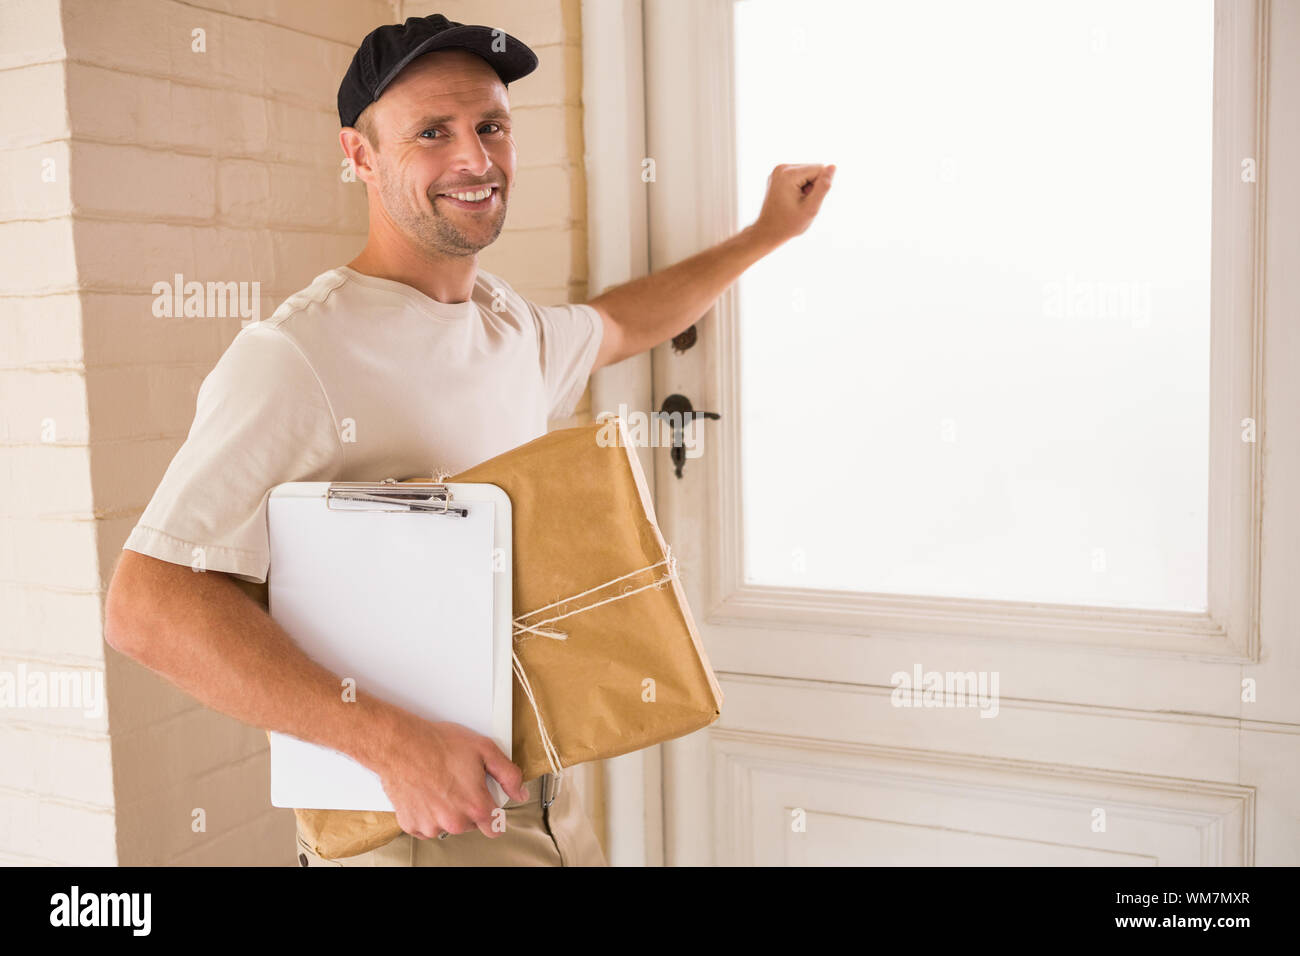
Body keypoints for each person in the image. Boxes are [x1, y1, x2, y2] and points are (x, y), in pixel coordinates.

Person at [104, 12, 835, 867]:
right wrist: (392, 747)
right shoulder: (298, 354)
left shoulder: (505, 324)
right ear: (359, 157)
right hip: (411, 824)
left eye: (490, 126)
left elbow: (622, 322)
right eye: (431, 133)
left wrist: (766, 236)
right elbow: (146, 606)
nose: (474, 160)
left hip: (538, 797)